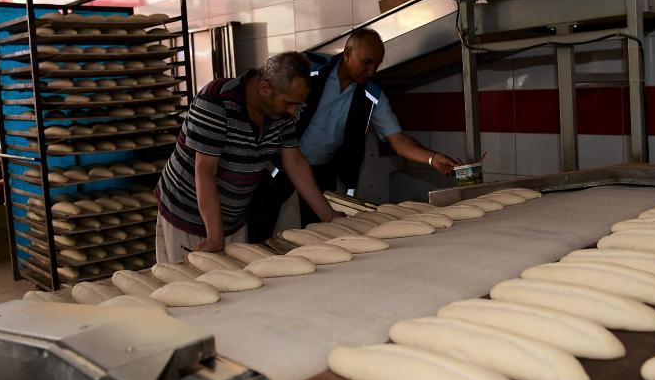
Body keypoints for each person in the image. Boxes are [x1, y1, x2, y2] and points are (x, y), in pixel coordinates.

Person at [248, 28, 457, 242]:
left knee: (318, 235)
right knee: (260, 224)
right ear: (347, 53)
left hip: (321, 170)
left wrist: (432, 158)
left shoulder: (371, 95)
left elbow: (399, 141)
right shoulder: (310, 70)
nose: (372, 71)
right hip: (280, 166)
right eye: (367, 62)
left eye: (377, 64)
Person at [155, 51, 340, 263]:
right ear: (264, 88)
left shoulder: (281, 112)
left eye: (297, 103)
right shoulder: (216, 100)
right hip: (188, 217)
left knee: (238, 290)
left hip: (233, 220)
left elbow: (295, 162)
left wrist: (329, 216)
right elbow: (205, 171)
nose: (293, 111)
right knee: (189, 287)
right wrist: (215, 236)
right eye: (289, 103)